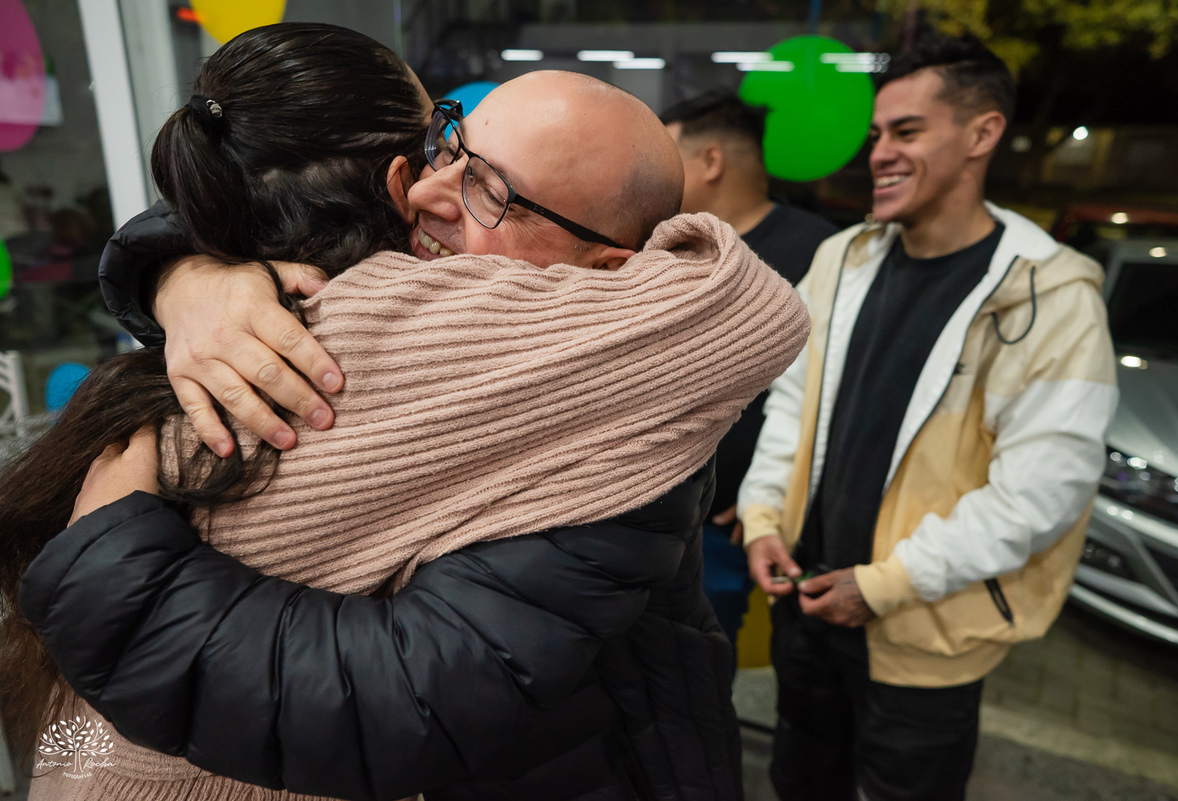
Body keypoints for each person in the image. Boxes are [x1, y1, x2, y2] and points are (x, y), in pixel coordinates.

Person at [11, 36, 811, 801]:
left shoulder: (620, 415)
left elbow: (404, 698)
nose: (423, 192)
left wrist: (113, 561)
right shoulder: (316, 305)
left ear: (606, 269)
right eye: (449, 145)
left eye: (492, 193)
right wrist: (186, 276)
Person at [736, 33, 1117, 800]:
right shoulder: (844, 256)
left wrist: (882, 585)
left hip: (925, 637)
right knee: (799, 784)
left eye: (907, 131)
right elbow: (792, 398)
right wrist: (762, 514)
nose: (880, 152)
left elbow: (1041, 494)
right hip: (807, 606)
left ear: (982, 134)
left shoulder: (1051, 293)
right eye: (878, 134)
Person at [660, 90, 836, 664]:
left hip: (722, 528)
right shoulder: (669, 245)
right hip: (644, 506)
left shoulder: (821, 253)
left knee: (694, 672)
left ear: (711, 161)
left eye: (668, 156)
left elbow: (824, 392)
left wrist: (767, 494)